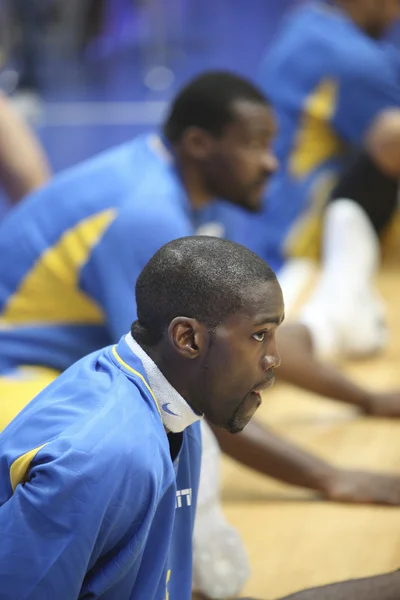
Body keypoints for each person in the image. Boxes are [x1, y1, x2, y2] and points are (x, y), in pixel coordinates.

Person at [1, 70, 400, 599]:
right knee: (169, 451)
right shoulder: (146, 213)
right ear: (197, 143)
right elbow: (189, 365)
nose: (271, 162)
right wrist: (330, 477)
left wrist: (366, 399)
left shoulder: (184, 192)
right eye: (256, 144)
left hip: (94, 365)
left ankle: (338, 314)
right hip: (18, 375)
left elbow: (231, 327)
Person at [0, 235, 283, 600]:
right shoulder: (106, 458)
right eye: (260, 335)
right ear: (188, 339)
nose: (274, 358)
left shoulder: (174, 403)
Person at [215, 0, 400, 358]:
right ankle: (332, 308)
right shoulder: (352, 59)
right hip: (303, 229)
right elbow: (390, 140)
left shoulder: (310, 22)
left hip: (272, 216)